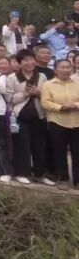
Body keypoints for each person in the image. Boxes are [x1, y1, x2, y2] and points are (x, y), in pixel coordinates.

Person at [3, 50, 51, 186]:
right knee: (22, 146)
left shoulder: (41, 76)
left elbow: (47, 95)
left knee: (39, 146)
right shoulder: (12, 78)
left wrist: (38, 93)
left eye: (31, 59)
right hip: (20, 116)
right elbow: (9, 98)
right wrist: (25, 93)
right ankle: (22, 173)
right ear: (20, 63)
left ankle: (40, 174)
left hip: (39, 115)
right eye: (25, 60)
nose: (29, 62)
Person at [40, 59, 79, 189]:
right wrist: (61, 107)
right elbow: (45, 102)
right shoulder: (48, 85)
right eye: (62, 67)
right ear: (56, 70)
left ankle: (77, 180)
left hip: (77, 122)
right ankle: (63, 179)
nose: (66, 70)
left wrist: (75, 105)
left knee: (77, 152)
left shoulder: (77, 83)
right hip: (57, 122)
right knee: (59, 152)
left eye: (68, 67)